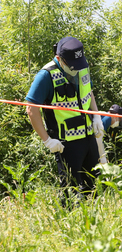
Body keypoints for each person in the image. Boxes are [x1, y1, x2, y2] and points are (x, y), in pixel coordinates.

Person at [25, 37, 104, 205]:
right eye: (72, 65)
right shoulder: (46, 75)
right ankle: (69, 228)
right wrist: (47, 140)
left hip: (89, 138)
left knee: (94, 189)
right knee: (70, 193)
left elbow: (88, 91)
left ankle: (95, 226)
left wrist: (96, 115)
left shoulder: (81, 66)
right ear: (60, 59)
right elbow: (31, 108)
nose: (76, 69)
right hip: (66, 145)